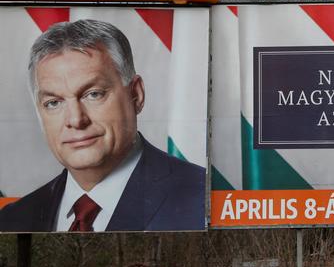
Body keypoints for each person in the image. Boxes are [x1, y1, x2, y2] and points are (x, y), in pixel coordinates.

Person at [0, 19, 206, 232]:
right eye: (53, 103)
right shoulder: (12, 219)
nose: (76, 120)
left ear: (136, 95)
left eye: (93, 94)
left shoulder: (200, 198)